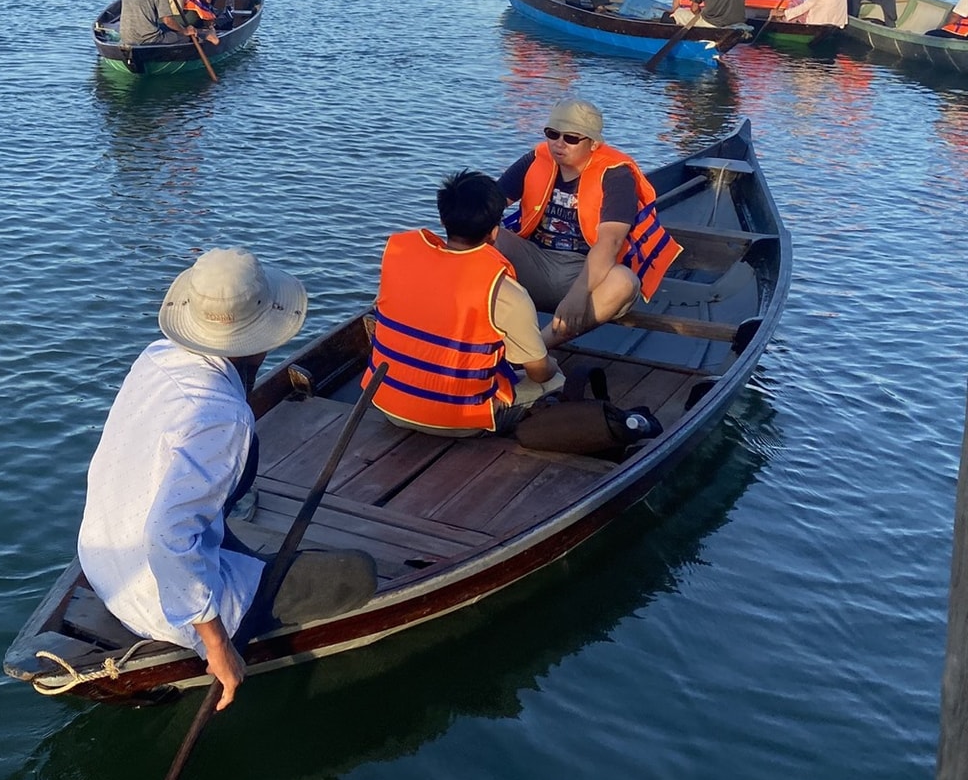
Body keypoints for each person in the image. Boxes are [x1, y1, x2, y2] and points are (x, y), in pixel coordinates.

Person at [77, 249, 377, 711]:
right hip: (156, 598)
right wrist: (216, 645)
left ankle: (229, 564)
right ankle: (222, 614)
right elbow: (166, 536)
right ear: (261, 337)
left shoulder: (156, 356)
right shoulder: (223, 415)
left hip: (103, 564)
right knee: (356, 574)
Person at [364, 171, 564, 437]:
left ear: (443, 218)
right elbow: (539, 373)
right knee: (554, 377)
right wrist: (550, 362)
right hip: (460, 424)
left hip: (386, 403)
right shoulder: (505, 291)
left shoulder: (397, 258)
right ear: (494, 232)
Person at [493, 100, 682, 347]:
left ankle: (535, 350)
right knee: (487, 234)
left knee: (625, 282)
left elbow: (611, 241)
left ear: (593, 143)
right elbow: (488, 203)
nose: (559, 143)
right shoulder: (536, 160)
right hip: (536, 261)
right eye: (552, 134)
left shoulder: (615, 175)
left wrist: (578, 294)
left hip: (588, 273)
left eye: (571, 138)